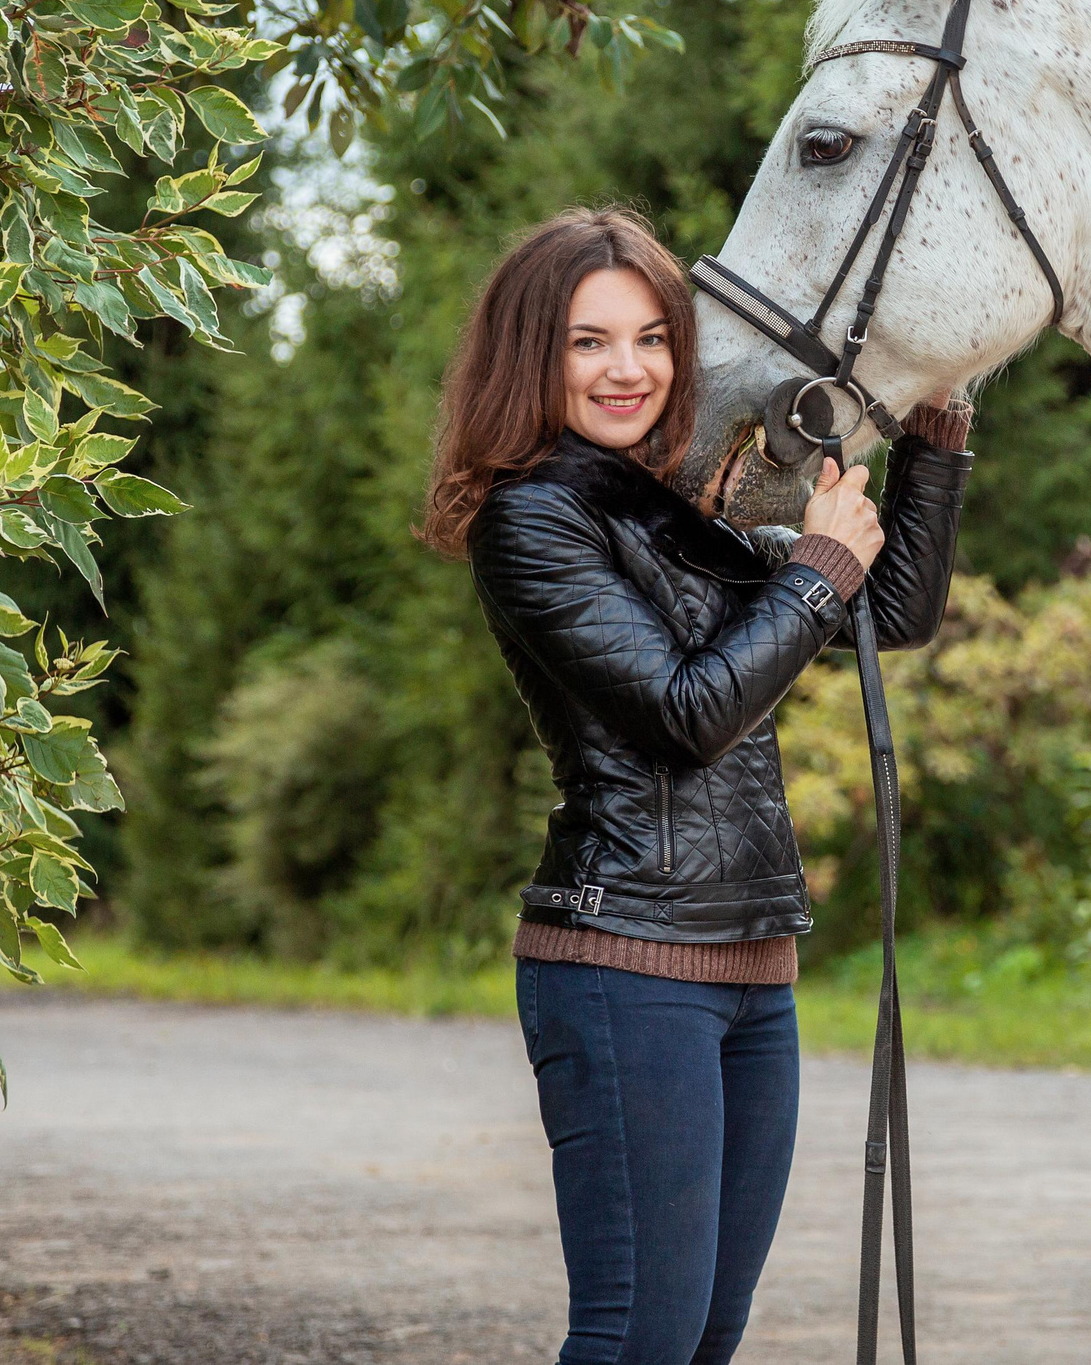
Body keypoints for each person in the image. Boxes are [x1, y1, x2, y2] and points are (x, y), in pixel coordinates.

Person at [420, 207, 974, 1365]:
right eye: (586, 342)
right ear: (532, 357)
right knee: (639, 1339)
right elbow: (686, 716)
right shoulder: (532, 522)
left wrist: (936, 425)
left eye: (650, 339)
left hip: (750, 970)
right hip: (623, 967)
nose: (627, 369)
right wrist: (814, 570)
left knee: (705, 1338)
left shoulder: (689, 508)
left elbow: (898, 611)